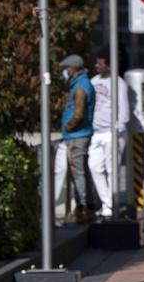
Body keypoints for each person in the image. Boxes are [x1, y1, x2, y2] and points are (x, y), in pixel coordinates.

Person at [53, 54, 95, 224]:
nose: (65, 72)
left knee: (77, 173)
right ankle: (88, 207)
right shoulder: (82, 84)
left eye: (66, 68)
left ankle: (82, 209)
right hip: (80, 134)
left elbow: (78, 113)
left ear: (73, 69)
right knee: (81, 171)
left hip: (77, 136)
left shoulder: (80, 88)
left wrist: (68, 127)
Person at [88, 57, 130, 219]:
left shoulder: (119, 84)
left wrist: (117, 130)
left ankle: (110, 205)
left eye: (100, 63)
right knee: (94, 166)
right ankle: (107, 201)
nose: (96, 65)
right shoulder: (93, 81)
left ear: (110, 66)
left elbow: (124, 110)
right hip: (96, 132)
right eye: (96, 62)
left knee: (112, 169)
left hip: (112, 133)